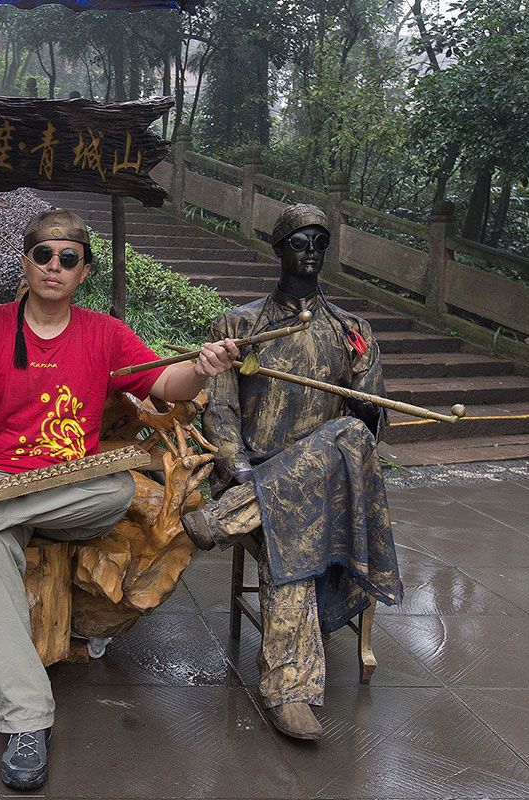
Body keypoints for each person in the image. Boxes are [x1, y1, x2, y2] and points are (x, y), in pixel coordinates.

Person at [0, 209, 239, 790]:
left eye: (68, 258)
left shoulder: (105, 333)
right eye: (43, 255)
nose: (54, 266)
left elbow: (165, 384)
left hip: (73, 493)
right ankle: (28, 723)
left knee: (117, 486)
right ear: (25, 263)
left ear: (83, 271)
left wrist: (202, 370)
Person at [182, 203, 402, 740]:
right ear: (279, 248)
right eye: (300, 241)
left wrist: (369, 410)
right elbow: (220, 409)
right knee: (294, 523)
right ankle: (290, 691)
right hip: (258, 471)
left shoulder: (352, 330)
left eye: (319, 242)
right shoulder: (240, 326)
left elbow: (369, 425)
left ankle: (224, 519)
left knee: (347, 436)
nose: (310, 251)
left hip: (327, 484)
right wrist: (236, 465)